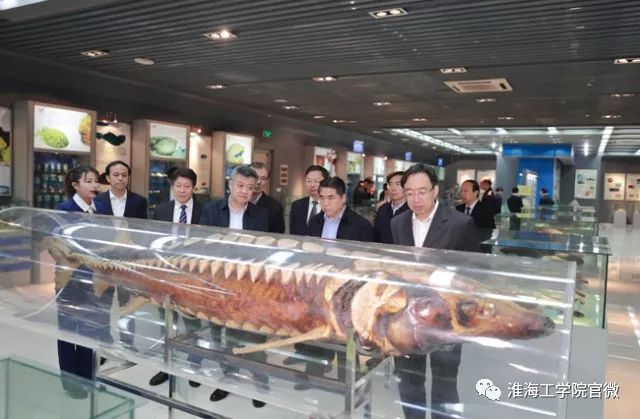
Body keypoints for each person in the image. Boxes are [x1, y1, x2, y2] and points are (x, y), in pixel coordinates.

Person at [390, 163, 480, 419]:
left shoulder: (460, 223)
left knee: (444, 382)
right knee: (409, 380)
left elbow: (474, 273)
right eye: (409, 193)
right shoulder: (397, 223)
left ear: (435, 190)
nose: (415, 199)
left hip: (446, 318)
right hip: (408, 318)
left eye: (422, 192)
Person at [200, 165, 269, 408]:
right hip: (216, 283)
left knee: (252, 335)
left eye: (250, 188)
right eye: (240, 185)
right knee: (219, 334)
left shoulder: (260, 215)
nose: (244, 191)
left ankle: (260, 380)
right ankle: (227, 376)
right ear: (230, 184)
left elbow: (263, 254)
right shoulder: (211, 210)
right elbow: (203, 245)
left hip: (247, 287)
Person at [300, 176, 373, 389]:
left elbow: (366, 264)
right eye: (322, 198)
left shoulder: (360, 226)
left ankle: (347, 382)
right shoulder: (315, 222)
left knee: (345, 340)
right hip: (319, 289)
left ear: (343, 198)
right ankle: (314, 375)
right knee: (317, 334)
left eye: (331, 198)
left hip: (346, 293)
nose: (325, 203)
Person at [55, 165, 111, 399]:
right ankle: (71, 383)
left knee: (91, 330)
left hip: (95, 281)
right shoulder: (63, 210)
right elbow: (59, 247)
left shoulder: (101, 209)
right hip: (71, 282)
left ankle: (88, 378)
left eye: (96, 180)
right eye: (89, 181)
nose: (94, 185)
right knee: (69, 333)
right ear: (75, 185)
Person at [148, 167, 203, 388]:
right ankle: (166, 365)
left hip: (192, 277)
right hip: (166, 275)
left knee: (193, 323)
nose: (182, 190)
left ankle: (194, 365)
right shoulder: (161, 210)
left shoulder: (205, 211)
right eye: (178, 186)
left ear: (193, 188)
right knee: (166, 322)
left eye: (187, 186)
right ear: (172, 187)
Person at [95, 161, 148, 350]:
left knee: (128, 302)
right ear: (108, 178)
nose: (120, 178)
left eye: (124, 175)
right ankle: (104, 342)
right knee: (103, 301)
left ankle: (128, 342)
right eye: (116, 175)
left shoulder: (139, 201)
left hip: (129, 260)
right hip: (104, 260)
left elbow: (142, 231)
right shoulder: (97, 201)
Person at [289, 165, 329, 235]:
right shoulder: (296, 206)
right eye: (309, 181)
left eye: (316, 181)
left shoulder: (330, 206)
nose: (312, 185)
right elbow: (293, 234)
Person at [373, 171, 408, 244]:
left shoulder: (412, 211)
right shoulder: (382, 209)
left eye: (398, 184)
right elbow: (375, 235)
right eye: (390, 184)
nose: (393, 188)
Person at [250, 162, 285, 233]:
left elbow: (278, 235)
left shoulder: (275, 207)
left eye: (263, 179)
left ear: (267, 181)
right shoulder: (237, 202)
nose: (258, 182)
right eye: (255, 177)